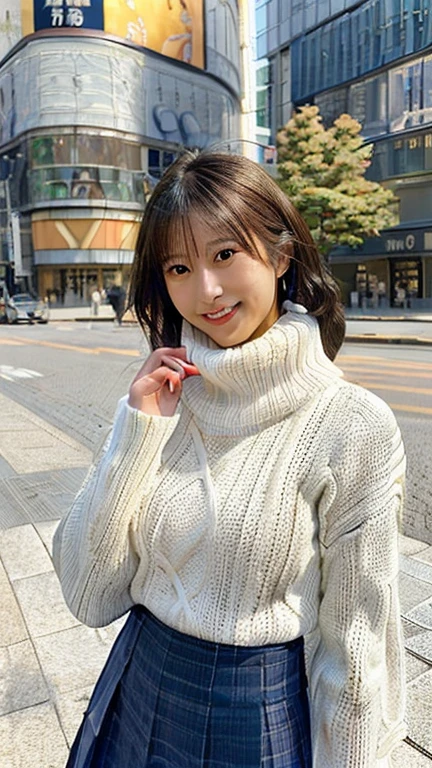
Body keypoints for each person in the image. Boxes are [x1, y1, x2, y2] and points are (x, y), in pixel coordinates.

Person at [53, 150, 406, 768]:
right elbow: (88, 595)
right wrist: (136, 432)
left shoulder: (353, 426)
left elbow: (357, 646)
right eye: (179, 267)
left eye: (224, 255)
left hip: (255, 714)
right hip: (137, 682)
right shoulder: (163, 403)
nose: (206, 291)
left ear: (280, 253)